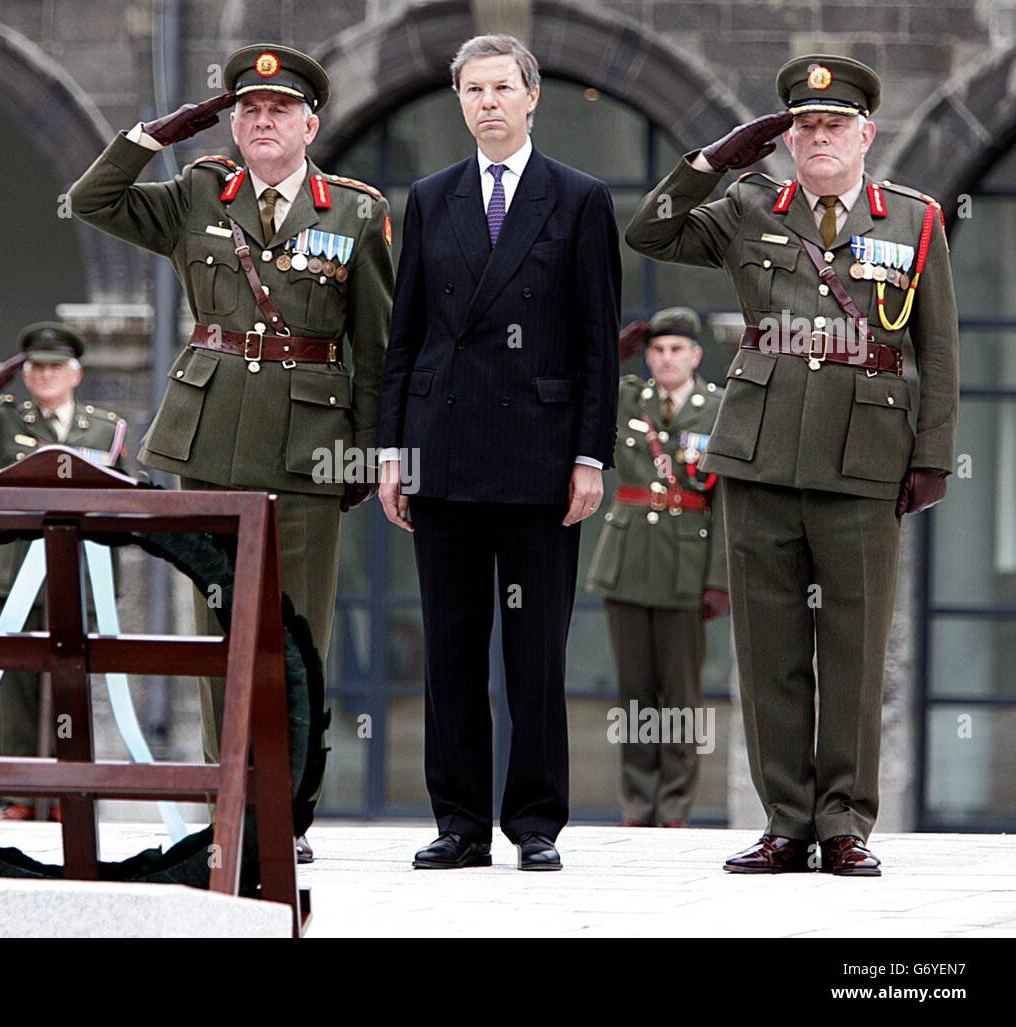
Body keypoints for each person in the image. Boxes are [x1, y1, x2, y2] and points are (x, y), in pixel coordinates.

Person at [626, 55, 958, 876]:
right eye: (804, 126)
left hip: (864, 458)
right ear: (786, 138)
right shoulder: (747, 205)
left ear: (864, 135)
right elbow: (651, 230)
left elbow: (939, 351)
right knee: (767, 645)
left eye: (834, 125)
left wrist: (933, 456)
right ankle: (785, 820)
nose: (818, 138)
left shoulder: (912, 222)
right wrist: (714, 160)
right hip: (761, 452)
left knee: (853, 644)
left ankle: (843, 821)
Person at [68, 44, 394, 863]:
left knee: (296, 637)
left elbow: (378, 348)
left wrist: (364, 452)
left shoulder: (354, 212)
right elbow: (92, 200)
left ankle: (286, 813)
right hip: (209, 440)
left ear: (310, 123)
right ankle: (233, 794)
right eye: (248, 109)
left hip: (309, 450)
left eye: (279, 110)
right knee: (222, 632)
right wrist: (156, 133)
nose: (261, 122)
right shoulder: (198, 192)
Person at [376, 34, 621, 871]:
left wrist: (591, 455)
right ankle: (459, 821)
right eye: (471, 90)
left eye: (500, 88)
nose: (486, 102)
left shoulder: (579, 198)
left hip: (540, 458)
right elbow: (402, 336)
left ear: (531, 98)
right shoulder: (431, 196)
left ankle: (536, 822)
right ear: (461, 103)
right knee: (450, 647)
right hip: (443, 449)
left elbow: (598, 343)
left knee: (533, 649)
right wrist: (391, 452)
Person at [0, 321, 129, 820]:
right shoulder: (3, 419)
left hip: (74, 570)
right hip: (7, 572)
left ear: (75, 374)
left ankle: (67, 793)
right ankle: (20, 793)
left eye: (55, 367)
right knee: (14, 683)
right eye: (35, 368)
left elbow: (127, 491)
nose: (45, 376)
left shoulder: (105, 427)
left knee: (71, 681)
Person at [585, 307, 729, 829]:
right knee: (634, 691)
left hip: (686, 565)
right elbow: (584, 388)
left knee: (681, 696)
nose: (666, 359)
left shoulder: (716, 409)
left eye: (676, 349)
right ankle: (637, 803)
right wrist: (610, 355)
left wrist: (718, 580)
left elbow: (726, 502)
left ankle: (674, 806)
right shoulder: (629, 398)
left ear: (695, 355)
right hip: (627, 562)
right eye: (657, 350)